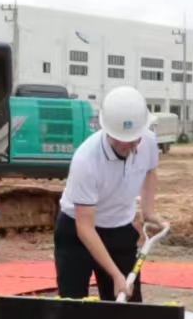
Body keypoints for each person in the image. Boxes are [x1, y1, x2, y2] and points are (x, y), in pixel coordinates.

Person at [55, 85, 159, 302]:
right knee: (73, 306)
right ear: (107, 130)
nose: (127, 144)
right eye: (119, 138)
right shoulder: (86, 160)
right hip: (77, 232)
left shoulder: (148, 140)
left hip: (120, 229)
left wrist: (148, 211)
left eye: (133, 138)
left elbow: (150, 170)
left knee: (127, 308)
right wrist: (115, 275)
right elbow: (85, 227)